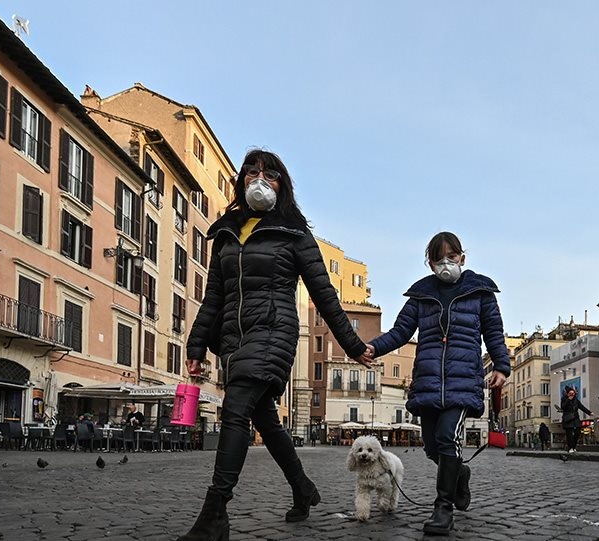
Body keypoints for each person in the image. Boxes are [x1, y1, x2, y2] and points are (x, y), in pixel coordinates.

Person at [179, 149, 373, 541]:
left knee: (235, 411)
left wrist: (353, 345)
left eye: (270, 174)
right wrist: (196, 346)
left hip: (275, 331)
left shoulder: (294, 232)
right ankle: (302, 487)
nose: (259, 179)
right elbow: (213, 297)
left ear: (282, 184)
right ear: (242, 181)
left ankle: (215, 512)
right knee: (266, 420)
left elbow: (323, 293)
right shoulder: (227, 234)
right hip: (234, 340)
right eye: (251, 172)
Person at [366, 232, 510, 536]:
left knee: (447, 438)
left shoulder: (480, 291)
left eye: (452, 256)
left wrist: (502, 366)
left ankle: (443, 508)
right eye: (439, 258)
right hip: (428, 381)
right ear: (430, 263)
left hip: (462, 381)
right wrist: (373, 348)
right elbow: (400, 332)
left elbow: (494, 332)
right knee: (432, 447)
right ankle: (460, 474)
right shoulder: (421, 295)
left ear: (462, 258)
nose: (447, 263)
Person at [560, 387, 592, 453]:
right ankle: (570, 448)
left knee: (578, 432)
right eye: (570, 393)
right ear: (567, 394)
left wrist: (589, 412)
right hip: (568, 418)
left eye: (573, 393)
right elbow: (563, 407)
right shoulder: (564, 399)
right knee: (569, 434)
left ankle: (574, 446)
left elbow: (581, 407)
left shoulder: (576, 400)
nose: (572, 394)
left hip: (575, 418)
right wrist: (568, 400)